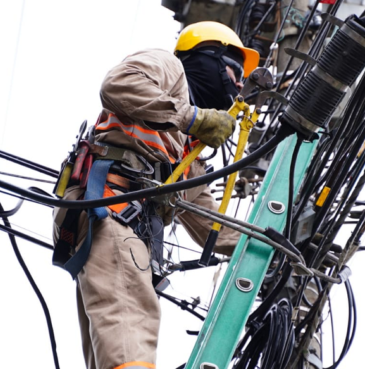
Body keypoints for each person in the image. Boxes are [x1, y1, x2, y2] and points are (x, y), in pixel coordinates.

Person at [52, 21, 260, 369]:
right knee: (132, 322)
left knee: (115, 342)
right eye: (234, 71)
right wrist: (191, 116)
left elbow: (213, 224)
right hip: (111, 210)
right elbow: (118, 84)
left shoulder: (184, 151)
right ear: (206, 58)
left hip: (113, 224)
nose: (239, 85)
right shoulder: (169, 67)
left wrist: (274, 249)